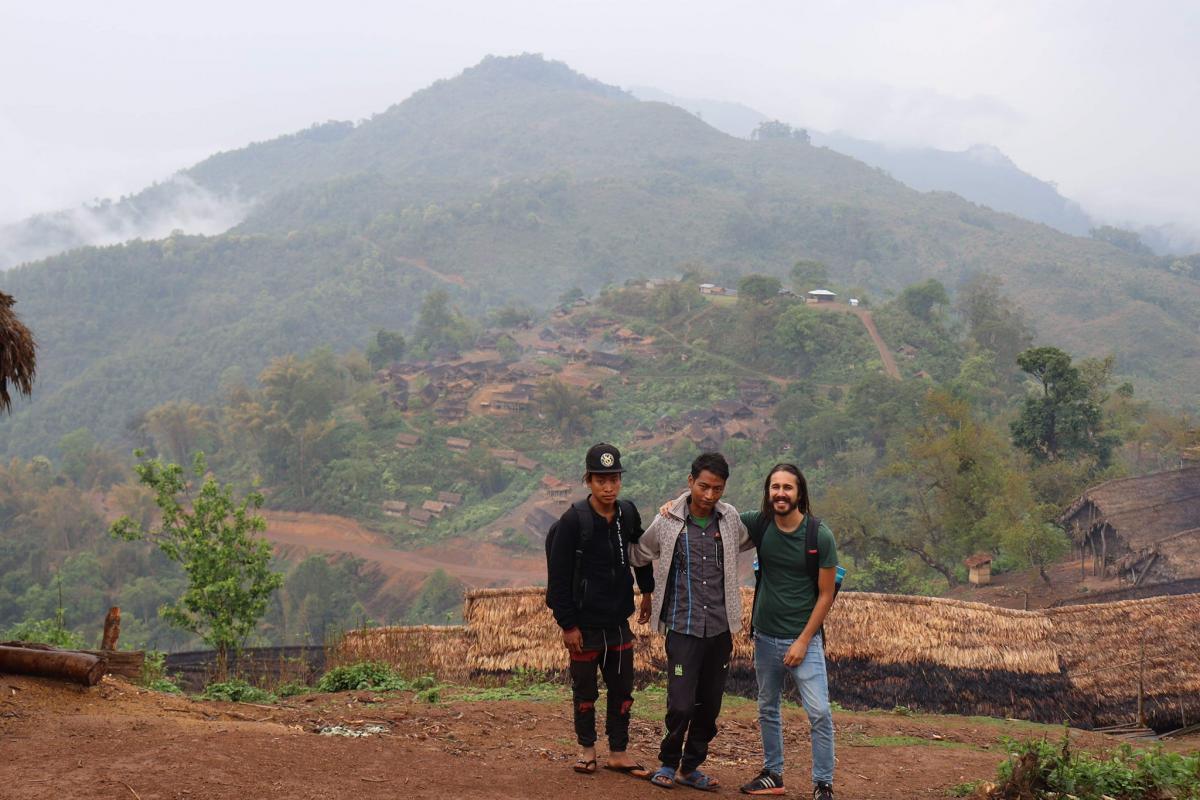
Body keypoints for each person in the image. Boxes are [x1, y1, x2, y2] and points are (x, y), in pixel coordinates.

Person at [632, 452, 753, 791]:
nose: (709, 495)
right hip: (682, 629)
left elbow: (752, 536)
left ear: (724, 488)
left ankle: (691, 767)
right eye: (703, 486)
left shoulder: (729, 520)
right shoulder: (668, 521)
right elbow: (640, 552)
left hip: (719, 629)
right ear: (690, 482)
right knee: (682, 703)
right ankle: (668, 762)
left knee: (709, 705)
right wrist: (645, 591)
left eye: (717, 488)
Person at [546, 443, 654, 779]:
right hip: (584, 625)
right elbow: (559, 578)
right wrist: (567, 625)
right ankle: (587, 750)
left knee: (622, 690)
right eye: (600, 480)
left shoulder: (627, 514)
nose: (608, 487)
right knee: (585, 692)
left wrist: (647, 591)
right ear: (588, 481)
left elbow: (641, 552)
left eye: (614, 479)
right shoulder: (572, 521)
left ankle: (618, 753)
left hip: (618, 621)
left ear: (620, 480)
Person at [738, 463, 839, 799]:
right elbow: (716, 512)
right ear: (768, 491)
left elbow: (826, 595)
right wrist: (677, 504)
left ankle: (823, 783)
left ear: (799, 493)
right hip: (765, 635)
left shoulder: (818, 535)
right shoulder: (760, 523)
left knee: (819, 712)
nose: (781, 493)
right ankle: (773, 773)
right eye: (775, 487)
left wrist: (803, 640)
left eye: (788, 488)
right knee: (767, 706)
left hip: (803, 639)